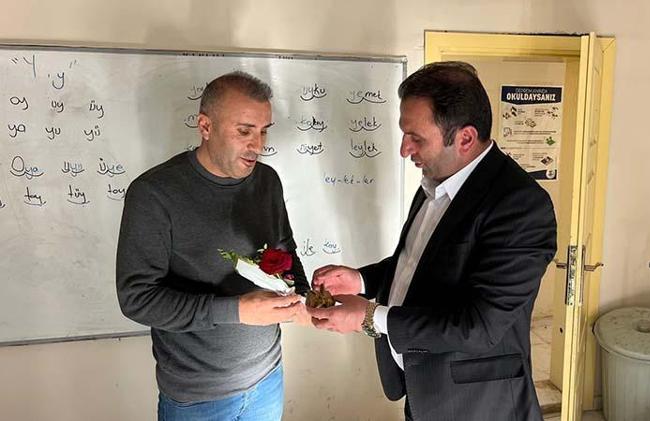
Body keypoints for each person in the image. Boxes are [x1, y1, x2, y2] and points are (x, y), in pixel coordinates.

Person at [308, 62, 557, 421]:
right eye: (404, 134)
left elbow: (479, 325)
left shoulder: (521, 206)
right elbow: (417, 262)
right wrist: (362, 280)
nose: (404, 149)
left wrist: (370, 317)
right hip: (421, 389)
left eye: (416, 138)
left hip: (476, 406)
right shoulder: (435, 182)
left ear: (465, 138)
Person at [116, 71, 309, 421]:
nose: (258, 145)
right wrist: (235, 310)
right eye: (244, 131)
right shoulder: (154, 194)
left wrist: (305, 298)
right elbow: (137, 298)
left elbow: (284, 249)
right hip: (197, 398)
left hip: (268, 379)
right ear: (205, 126)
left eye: (264, 131)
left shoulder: (267, 181)